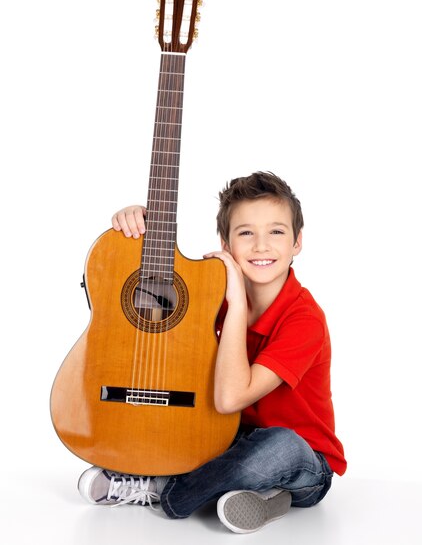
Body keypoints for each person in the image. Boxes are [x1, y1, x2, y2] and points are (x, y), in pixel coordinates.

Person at [77, 171, 346, 534]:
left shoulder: (304, 319)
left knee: (280, 444)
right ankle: (262, 498)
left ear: (297, 242)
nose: (261, 246)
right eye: (246, 232)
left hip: (305, 458)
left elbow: (230, 397)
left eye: (277, 232)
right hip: (228, 438)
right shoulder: (207, 297)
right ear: (226, 242)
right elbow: (154, 317)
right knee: (201, 427)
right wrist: (140, 231)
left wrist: (236, 306)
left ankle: (163, 490)